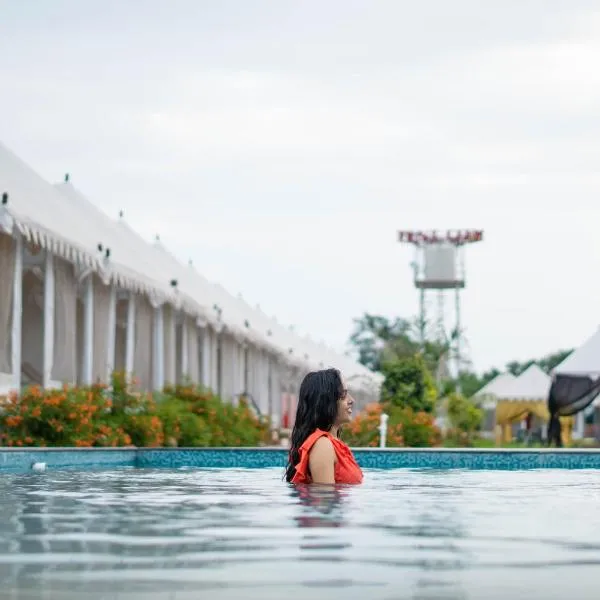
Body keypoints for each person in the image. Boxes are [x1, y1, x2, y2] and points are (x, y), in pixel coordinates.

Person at [284, 368, 363, 485]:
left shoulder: (333, 444)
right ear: (325, 401)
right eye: (343, 394)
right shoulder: (322, 446)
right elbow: (325, 499)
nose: (351, 400)